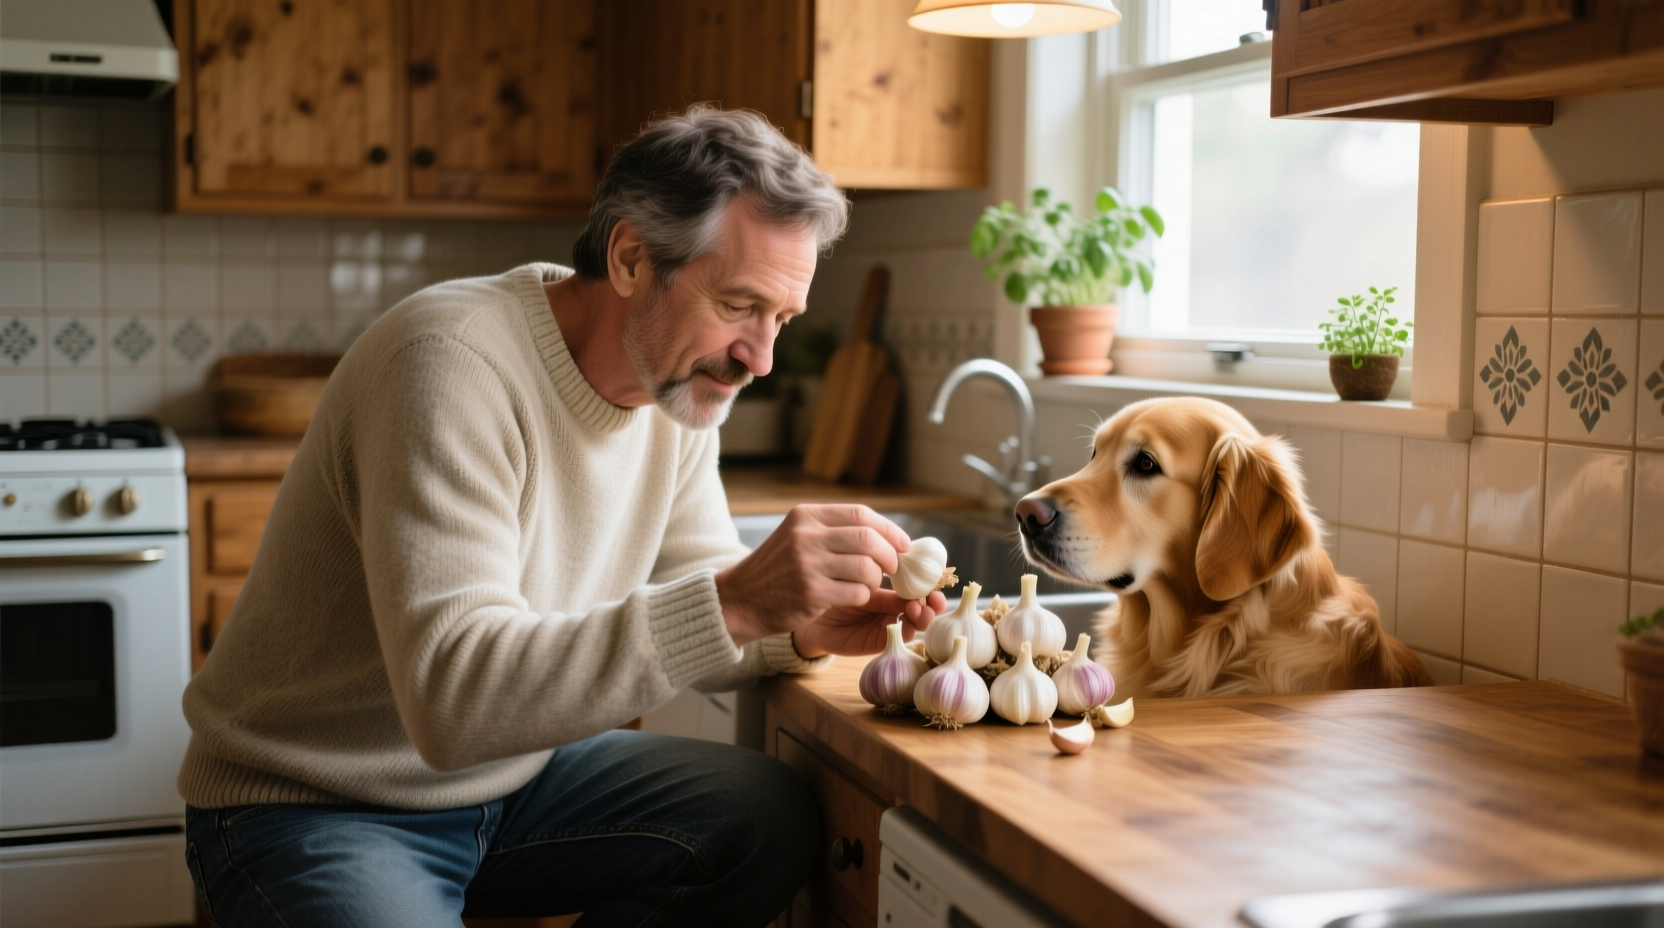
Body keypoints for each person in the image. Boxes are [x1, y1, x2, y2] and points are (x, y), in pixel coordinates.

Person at [179, 106, 945, 928]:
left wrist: (803, 624)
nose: (759, 358)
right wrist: (741, 600)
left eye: (780, 320)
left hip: (510, 783)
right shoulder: (450, 365)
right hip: (314, 800)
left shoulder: (675, 391)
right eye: (737, 306)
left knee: (761, 816)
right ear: (629, 258)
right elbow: (454, 703)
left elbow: (701, 593)